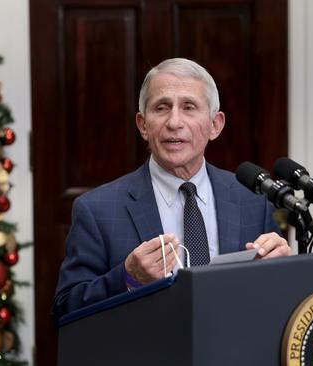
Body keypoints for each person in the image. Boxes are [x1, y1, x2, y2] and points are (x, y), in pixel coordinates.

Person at [52, 58, 290, 323]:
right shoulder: (97, 209)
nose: (174, 122)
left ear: (215, 125)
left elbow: (278, 308)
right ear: (143, 125)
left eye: (189, 107)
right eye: (162, 108)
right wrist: (127, 277)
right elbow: (65, 310)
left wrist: (281, 273)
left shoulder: (252, 200)